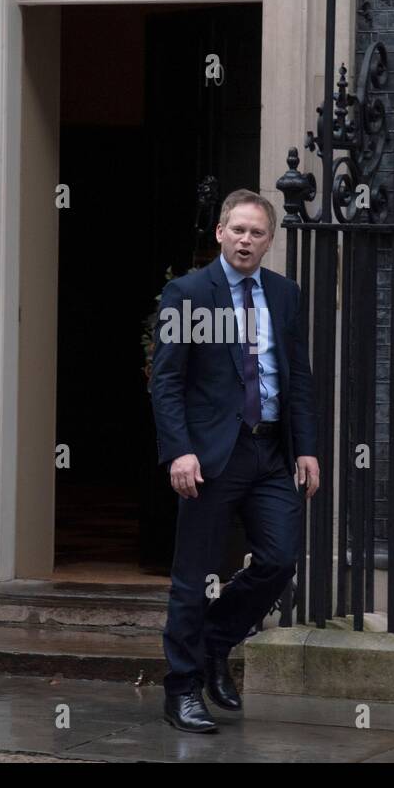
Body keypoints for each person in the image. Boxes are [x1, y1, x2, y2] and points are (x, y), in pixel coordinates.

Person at [149, 189, 321, 733]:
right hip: (210, 454)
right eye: (238, 230)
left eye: (257, 233)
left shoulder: (285, 295)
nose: (246, 240)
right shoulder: (188, 293)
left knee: (280, 558)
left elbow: (299, 377)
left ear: (270, 241)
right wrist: (179, 450)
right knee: (192, 574)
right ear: (220, 232)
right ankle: (182, 689)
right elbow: (167, 380)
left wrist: (308, 447)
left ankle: (215, 643)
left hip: (269, 450)